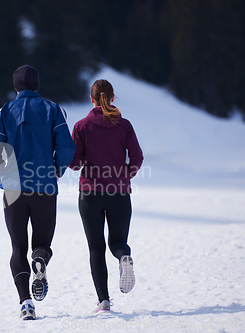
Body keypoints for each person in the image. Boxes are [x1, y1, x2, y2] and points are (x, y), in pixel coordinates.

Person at [0, 65, 75, 320]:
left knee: (17, 247)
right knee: (42, 244)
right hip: (45, 186)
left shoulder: (2, 112)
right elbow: (67, 147)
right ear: (37, 85)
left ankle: (25, 303)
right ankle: (40, 259)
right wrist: (58, 169)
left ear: (16, 87)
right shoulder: (53, 110)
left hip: (14, 189)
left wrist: (4, 177)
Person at [69, 79, 143, 314]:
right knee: (118, 242)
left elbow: (74, 162)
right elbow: (138, 158)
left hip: (90, 192)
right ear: (112, 98)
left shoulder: (81, 126)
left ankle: (104, 301)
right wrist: (124, 176)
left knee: (96, 248)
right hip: (119, 192)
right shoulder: (125, 126)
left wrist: (79, 162)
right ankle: (124, 257)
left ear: (92, 99)